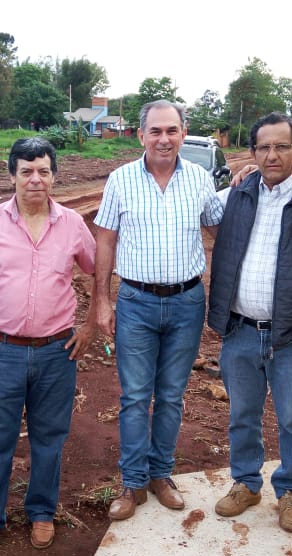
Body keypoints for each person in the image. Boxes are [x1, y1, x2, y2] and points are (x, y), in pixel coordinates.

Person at [0, 137, 97, 556]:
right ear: (12, 175)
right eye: (26, 171)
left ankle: (41, 511)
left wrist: (90, 325)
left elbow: (98, 272)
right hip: (1, 350)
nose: (35, 179)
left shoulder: (72, 224)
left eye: (43, 171)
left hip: (58, 351)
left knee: (49, 437)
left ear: (54, 176)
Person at [207, 113, 292, 534]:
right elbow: (198, 219)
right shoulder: (236, 197)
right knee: (242, 415)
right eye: (263, 147)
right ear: (252, 153)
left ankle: (290, 492)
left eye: (282, 146)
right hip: (241, 331)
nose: (272, 155)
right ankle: (246, 484)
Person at [93, 100, 223, 520]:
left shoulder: (200, 179)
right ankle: (132, 483)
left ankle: (161, 474)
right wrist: (102, 298)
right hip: (136, 302)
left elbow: (220, 230)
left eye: (172, 130)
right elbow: (106, 240)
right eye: (155, 131)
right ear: (140, 135)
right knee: (134, 398)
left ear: (184, 133)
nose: (164, 139)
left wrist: (243, 188)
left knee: (170, 396)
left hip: (187, 302)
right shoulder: (121, 180)